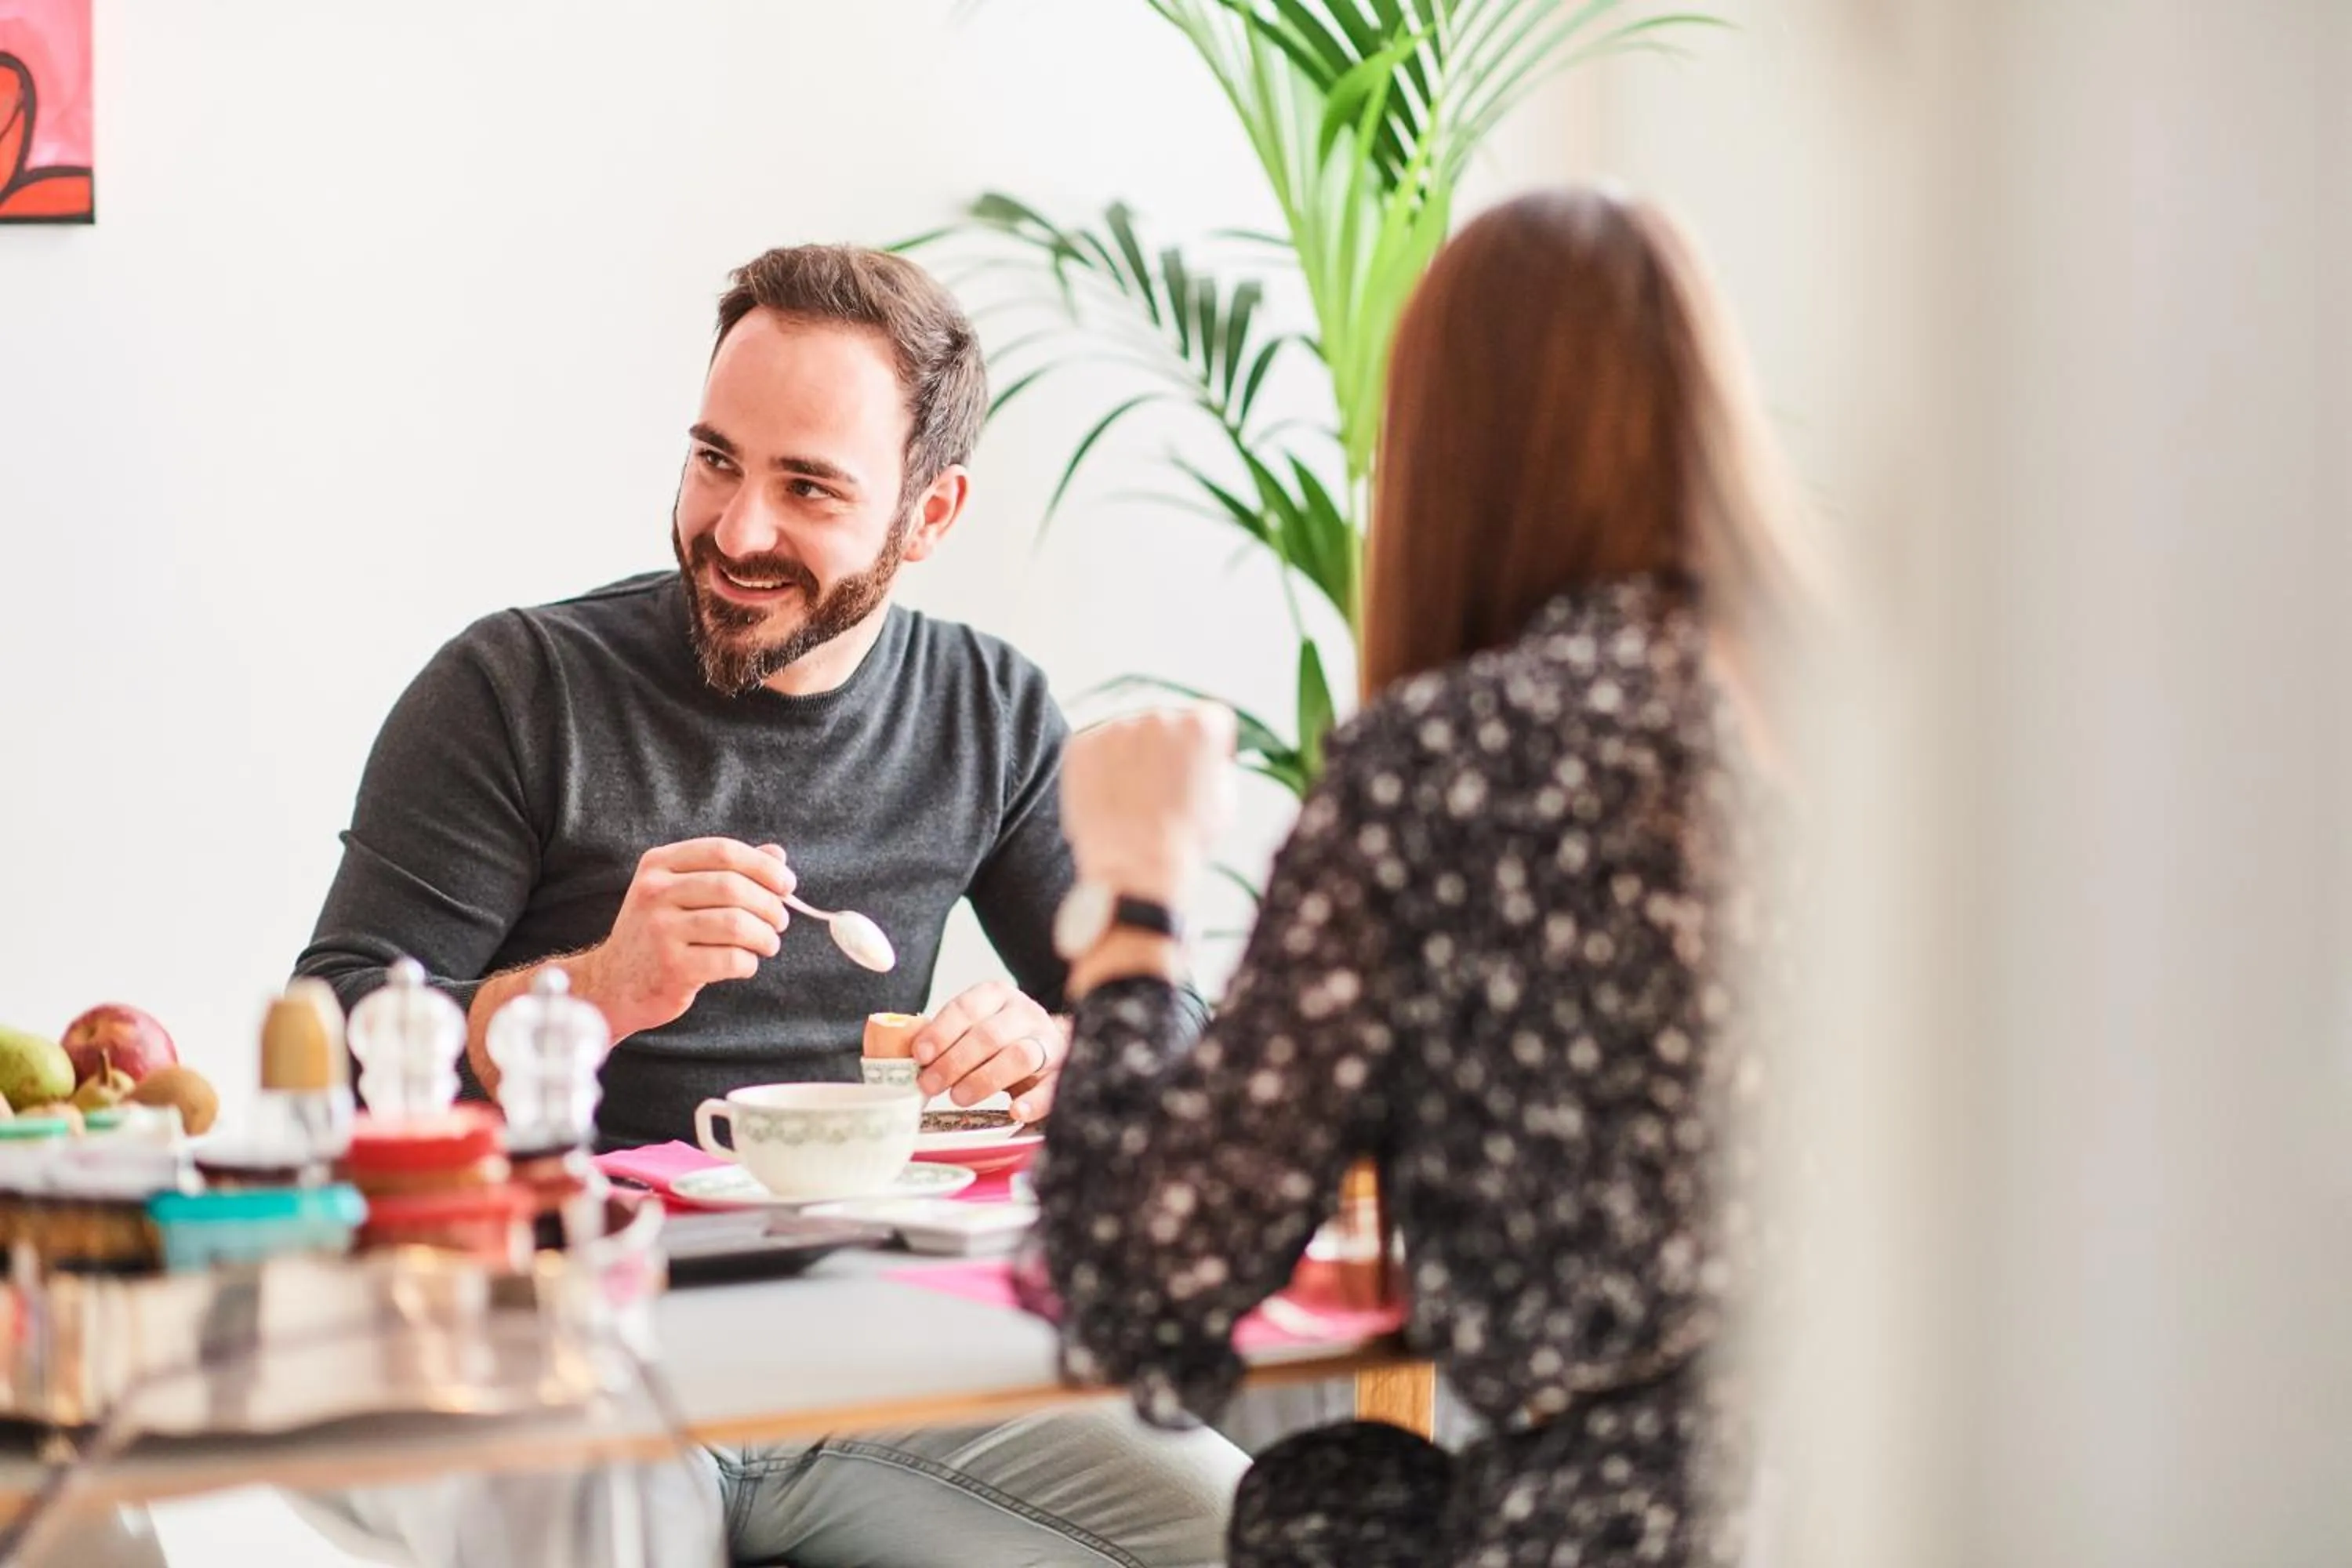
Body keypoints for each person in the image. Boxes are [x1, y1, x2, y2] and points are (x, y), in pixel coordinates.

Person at [292, 245, 1245, 1566]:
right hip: (571, 1349)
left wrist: (1059, 1053)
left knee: (1244, 1535)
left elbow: (1181, 1045)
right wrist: (596, 992)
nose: (737, 530)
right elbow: (329, 1033)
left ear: (931, 513)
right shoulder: (517, 688)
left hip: (877, 1348)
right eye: (715, 461)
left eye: (808, 487)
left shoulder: (988, 713)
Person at [1027, 187, 1809, 1566]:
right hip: (1899, 1493)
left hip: (1612, 1531)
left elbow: (1147, 1279)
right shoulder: (1858, 724)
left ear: (1453, 456)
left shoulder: (1447, 762)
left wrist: (1137, 894)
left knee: (1321, 1503)